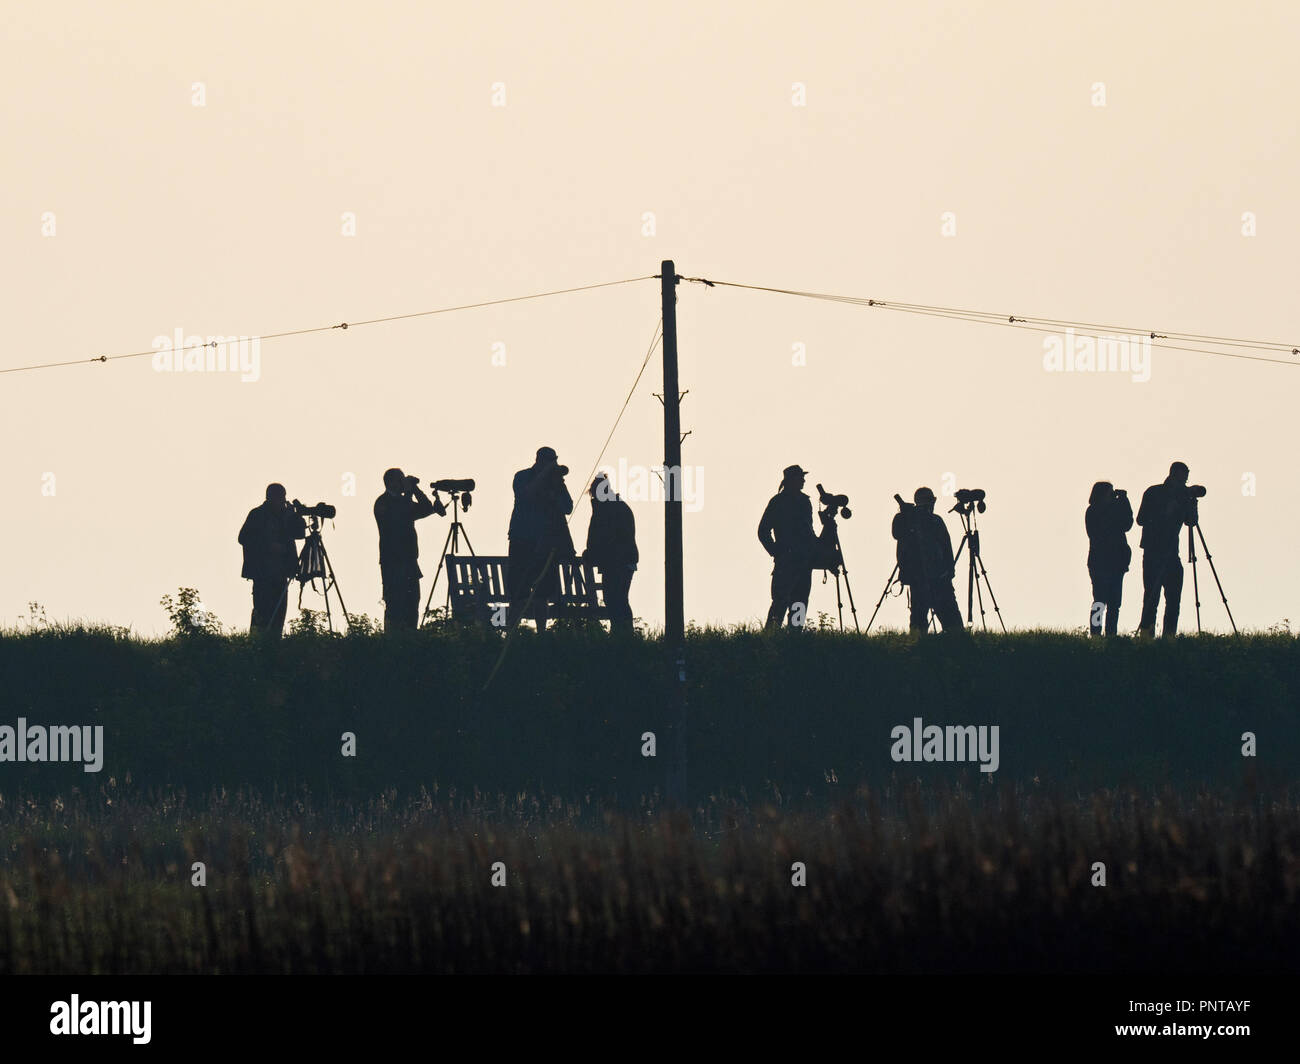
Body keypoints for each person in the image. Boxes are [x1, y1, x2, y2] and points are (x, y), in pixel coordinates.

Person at [508, 446, 575, 629]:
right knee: (518, 592)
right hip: (523, 540)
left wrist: (555, 489)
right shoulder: (522, 476)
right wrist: (544, 476)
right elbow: (525, 495)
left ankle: (541, 633)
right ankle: (512, 632)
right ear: (538, 461)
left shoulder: (556, 482)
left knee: (542, 593)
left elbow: (568, 507)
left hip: (545, 543)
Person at [1136, 461, 1198, 638]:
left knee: (1173, 600)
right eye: (1183, 476)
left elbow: (1191, 522)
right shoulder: (1154, 492)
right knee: (1151, 598)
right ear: (1174, 474)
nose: (1185, 480)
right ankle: (1147, 636)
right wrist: (1165, 511)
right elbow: (1141, 519)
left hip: (1172, 554)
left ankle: (1169, 636)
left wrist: (1192, 503)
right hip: (1154, 553)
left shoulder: (1183, 496)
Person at [891, 487, 963, 633]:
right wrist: (906, 515)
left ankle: (956, 645)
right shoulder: (907, 519)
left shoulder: (936, 521)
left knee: (952, 622)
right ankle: (919, 648)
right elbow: (897, 533)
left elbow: (946, 547)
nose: (931, 504)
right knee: (919, 620)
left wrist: (949, 572)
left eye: (932, 500)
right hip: (919, 579)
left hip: (940, 578)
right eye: (929, 500)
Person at [238, 483, 306, 637]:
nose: (283, 501)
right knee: (262, 614)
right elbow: (243, 538)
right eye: (280, 497)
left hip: (281, 574)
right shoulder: (257, 514)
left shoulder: (285, 516)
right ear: (270, 498)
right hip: (263, 574)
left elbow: (299, 535)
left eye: (284, 497)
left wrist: (296, 517)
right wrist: (269, 546)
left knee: (279, 616)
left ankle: (274, 645)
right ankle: (257, 644)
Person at [373, 467, 437, 631]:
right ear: (390, 482)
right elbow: (401, 514)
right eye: (400, 480)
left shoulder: (402, 501)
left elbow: (427, 508)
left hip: (409, 561)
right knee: (395, 605)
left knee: (412, 602)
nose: (403, 483)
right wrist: (409, 493)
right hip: (393, 562)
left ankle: (411, 638)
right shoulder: (383, 503)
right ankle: (392, 641)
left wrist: (415, 489)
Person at [758, 465, 819, 630]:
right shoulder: (778, 502)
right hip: (786, 562)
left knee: (799, 602)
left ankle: (795, 636)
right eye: (800, 477)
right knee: (780, 601)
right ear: (791, 480)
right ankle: (771, 635)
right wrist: (776, 551)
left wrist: (816, 551)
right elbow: (763, 530)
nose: (803, 480)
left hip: (803, 561)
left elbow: (809, 532)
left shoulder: (805, 502)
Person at [584, 473, 638, 634]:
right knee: (618, 599)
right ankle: (622, 634)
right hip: (621, 560)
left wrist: (591, 554)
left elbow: (603, 538)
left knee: (615, 599)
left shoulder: (608, 509)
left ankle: (622, 634)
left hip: (617, 561)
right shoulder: (615, 506)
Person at [1085, 481, 1133, 636]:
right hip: (1101, 563)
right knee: (1099, 602)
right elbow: (1100, 530)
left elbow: (1127, 524)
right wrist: (1120, 504)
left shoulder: (1113, 510)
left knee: (1113, 604)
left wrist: (1124, 502)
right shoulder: (1093, 511)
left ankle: (1111, 634)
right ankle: (1096, 633)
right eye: (1109, 492)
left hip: (1115, 562)